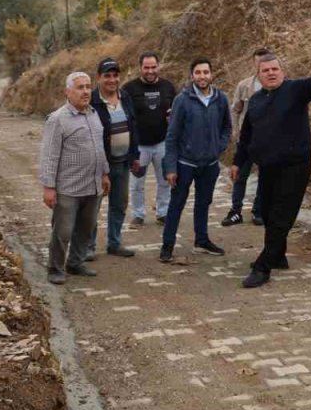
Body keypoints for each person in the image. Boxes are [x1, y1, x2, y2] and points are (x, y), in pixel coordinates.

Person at [232, 46, 311, 288]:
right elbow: (247, 135)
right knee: (269, 212)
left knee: (282, 215)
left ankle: (264, 266)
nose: (271, 73)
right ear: (258, 76)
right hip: (268, 167)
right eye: (265, 70)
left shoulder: (294, 90)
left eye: (275, 69)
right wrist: (237, 162)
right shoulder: (257, 100)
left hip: (295, 166)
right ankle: (278, 255)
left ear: (282, 71)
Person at [38, 72, 111, 285]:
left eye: (88, 87)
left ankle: (75, 262)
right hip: (68, 187)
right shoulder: (57, 119)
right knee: (63, 231)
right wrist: (48, 187)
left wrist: (105, 173)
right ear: (67, 92)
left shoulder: (94, 114)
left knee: (86, 227)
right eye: (80, 87)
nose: (86, 91)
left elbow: (100, 148)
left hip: (93, 185)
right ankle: (55, 268)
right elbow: (49, 156)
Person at [160, 59, 232, 263]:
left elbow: (227, 127)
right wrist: (171, 168)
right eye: (198, 72)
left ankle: (201, 241)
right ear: (192, 75)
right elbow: (172, 136)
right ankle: (167, 245)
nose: (202, 76)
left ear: (211, 74)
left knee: (203, 203)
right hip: (185, 163)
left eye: (205, 72)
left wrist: (219, 146)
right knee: (177, 204)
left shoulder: (221, 99)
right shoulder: (182, 100)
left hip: (209, 164)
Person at [88, 58, 140, 259]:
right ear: (99, 78)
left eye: (115, 75)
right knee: (92, 208)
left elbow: (133, 126)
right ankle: (88, 247)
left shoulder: (125, 97)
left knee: (119, 204)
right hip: (100, 165)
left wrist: (134, 155)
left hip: (123, 162)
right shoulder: (91, 101)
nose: (112, 79)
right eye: (107, 76)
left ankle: (115, 243)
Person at [122, 51, 177, 226]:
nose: (150, 71)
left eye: (153, 67)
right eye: (146, 67)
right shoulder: (129, 89)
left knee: (164, 181)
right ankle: (138, 214)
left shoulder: (168, 87)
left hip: (162, 143)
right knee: (137, 183)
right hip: (139, 146)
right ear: (140, 68)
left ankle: (163, 213)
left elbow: (176, 112)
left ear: (158, 66)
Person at [222, 48, 269, 227]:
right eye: (257, 62)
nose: (261, 66)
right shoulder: (244, 85)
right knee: (240, 175)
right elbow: (235, 110)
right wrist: (236, 131)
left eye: (264, 62)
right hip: (247, 139)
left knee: (264, 176)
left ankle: (258, 211)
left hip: (267, 141)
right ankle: (235, 210)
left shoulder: (277, 85)